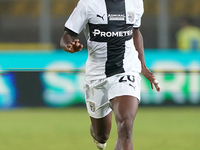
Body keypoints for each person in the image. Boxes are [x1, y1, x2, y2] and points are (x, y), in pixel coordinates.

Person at [60, 0, 160, 149]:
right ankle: (98, 137)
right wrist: (69, 46)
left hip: (126, 70)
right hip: (97, 75)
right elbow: (67, 36)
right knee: (101, 135)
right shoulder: (88, 4)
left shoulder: (135, 2)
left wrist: (142, 66)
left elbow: (135, 32)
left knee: (126, 125)